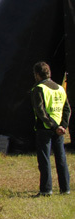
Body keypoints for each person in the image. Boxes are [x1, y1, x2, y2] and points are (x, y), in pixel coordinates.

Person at [31, 61, 71, 196]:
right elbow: (67, 110)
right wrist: (63, 126)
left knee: (44, 159)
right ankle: (65, 188)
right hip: (59, 129)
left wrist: (53, 126)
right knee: (61, 158)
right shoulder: (60, 88)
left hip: (45, 128)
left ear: (37, 75)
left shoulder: (39, 88)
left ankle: (46, 189)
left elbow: (40, 111)